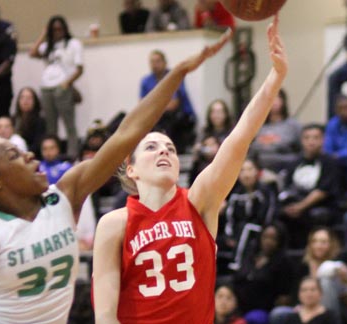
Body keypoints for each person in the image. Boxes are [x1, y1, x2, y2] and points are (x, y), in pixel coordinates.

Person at [0, 27, 233, 324]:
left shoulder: (65, 195)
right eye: (14, 156)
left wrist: (179, 73)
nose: (28, 154)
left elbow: (128, 132)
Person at [92, 18, 284, 323]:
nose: (164, 151)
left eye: (169, 148)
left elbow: (239, 138)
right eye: (152, 147)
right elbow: (104, 314)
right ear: (132, 169)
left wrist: (275, 77)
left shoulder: (198, 201)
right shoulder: (114, 223)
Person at [278, 125, 342, 248]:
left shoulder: (330, 162)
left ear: (323, 140)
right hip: (296, 203)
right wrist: (289, 206)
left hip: (321, 206)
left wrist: (300, 207)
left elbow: (322, 192)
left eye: (315, 138)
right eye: (307, 138)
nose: (311, 141)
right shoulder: (294, 163)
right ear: (301, 140)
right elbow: (286, 188)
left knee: (312, 216)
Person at [30, 15, 83, 160]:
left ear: (65, 29)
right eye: (53, 30)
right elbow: (33, 52)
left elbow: (79, 68)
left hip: (62, 86)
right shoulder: (48, 46)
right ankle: (52, 156)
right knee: (50, 127)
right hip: (46, 87)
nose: (57, 32)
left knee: (69, 124)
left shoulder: (73, 44)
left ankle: (72, 156)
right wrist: (44, 34)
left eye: (59, 29)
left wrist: (66, 83)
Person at [220, 159, 278, 272]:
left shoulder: (265, 190)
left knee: (246, 228)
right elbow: (230, 218)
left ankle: (237, 263)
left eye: (250, 170)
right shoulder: (235, 194)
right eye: (242, 171)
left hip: (262, 229)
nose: (246, 174)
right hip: (239, 232)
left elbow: (269, 213)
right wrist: (229, 236)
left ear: (257, 172)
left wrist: (265, 228)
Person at [234, 223, 293, 322]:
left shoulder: (284, 263)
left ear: (280, 241)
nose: (268, 241)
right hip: (238, 307)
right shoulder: (250, 257)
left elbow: (283, 297)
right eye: (265, 237)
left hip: (263, 310)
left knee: (253, 318)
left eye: (273, 238)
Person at [141, 49, 197, 153]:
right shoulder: (146, 81)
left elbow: (173, 104)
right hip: (158, 116)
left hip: (181, 117)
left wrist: (152, 109)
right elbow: (141, 106)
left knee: (166, 122)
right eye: (152, 62)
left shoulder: (174, 76)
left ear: (164, 62)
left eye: (157, 61)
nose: (155, 65)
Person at [249, 89, 302, 172]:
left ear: (283, 101)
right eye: (271, 98)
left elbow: (301, 152)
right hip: (259, 171)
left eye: (277, 98)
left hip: (286, 170)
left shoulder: (293, 125)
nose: (274, 102)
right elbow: (250, 152)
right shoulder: (257, 125)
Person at [273, 277, 338, 324]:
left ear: (321, 293)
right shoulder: (291, 318)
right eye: (304, 290)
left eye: (313, 290)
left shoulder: (330, 317)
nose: (308, 294)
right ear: (299, 294)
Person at [14, 87, 46, 158]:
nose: (25, 101)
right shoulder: (13, 119)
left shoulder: (40, 121)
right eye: (22, 97)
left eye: (29, 98)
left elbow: (38, 144)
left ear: (35, 101)